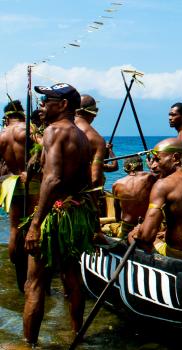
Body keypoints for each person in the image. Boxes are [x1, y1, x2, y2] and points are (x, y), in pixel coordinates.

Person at [22, 83, 98, 346]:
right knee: (72, 277)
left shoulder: (55, 131)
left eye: (47, 100)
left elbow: (52, 180)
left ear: (64, 104)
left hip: (55, 215)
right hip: (75, 212)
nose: (42, 104)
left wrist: (35, 224)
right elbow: (87, 180)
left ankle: (28, 344)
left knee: (34, 284)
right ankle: (78, 335)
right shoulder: (80, 135)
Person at [0, 99, 41, 292]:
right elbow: (44, 147)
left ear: (6, 118)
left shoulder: (2, 134)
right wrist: (31, 168)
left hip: (9, 183)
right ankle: (34, 275)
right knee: (35, 226)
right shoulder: (28, 129)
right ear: (22, 115)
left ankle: (18, 277)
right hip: (29, 180)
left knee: (14, 230)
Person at [107, 155, 158, 238]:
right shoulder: (150, 177)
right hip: (146, 224)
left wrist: (118, 221)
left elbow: (117, 212)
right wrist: (151, 168)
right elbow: (162, 177)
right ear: (141, 165)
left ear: (127, 167)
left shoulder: (116, 184)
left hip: (126, 226)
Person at [74, 94, 118, 188]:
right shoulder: (96, 139)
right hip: (79, 197)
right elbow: (95, 179)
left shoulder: (56, 129)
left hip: (57, 196)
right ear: (93, 113)